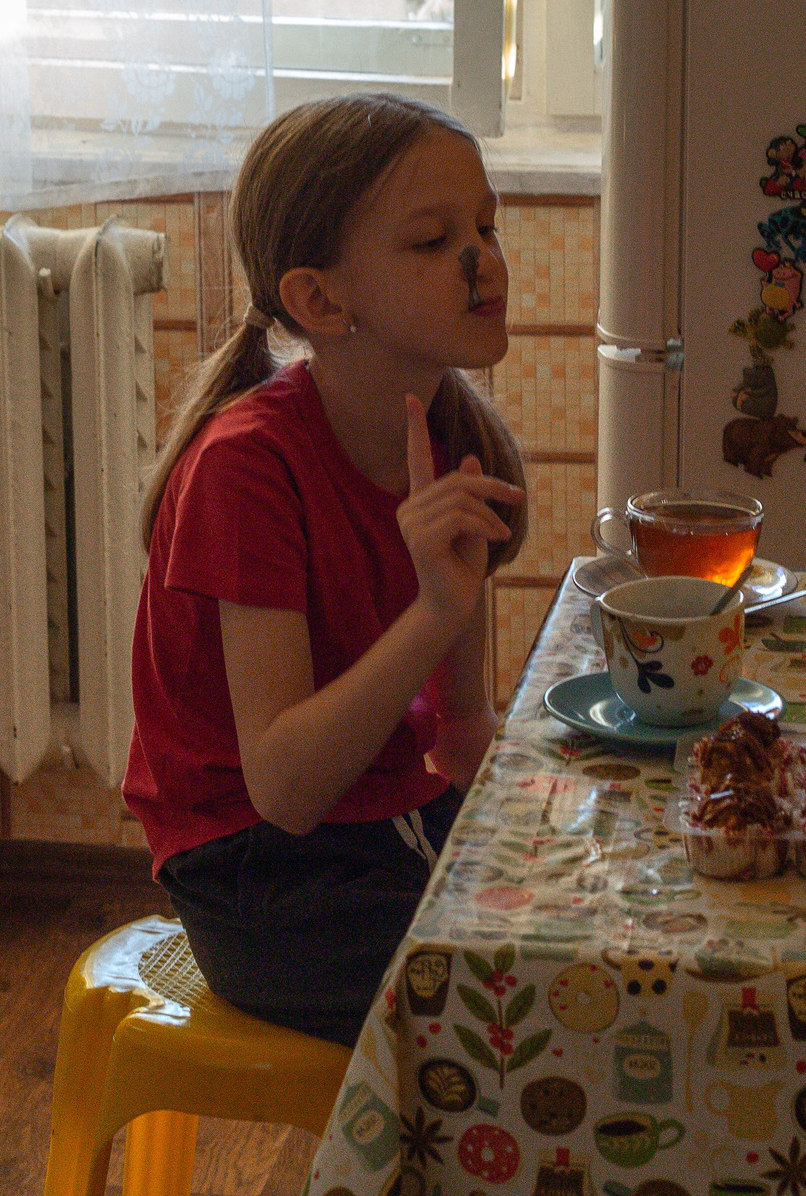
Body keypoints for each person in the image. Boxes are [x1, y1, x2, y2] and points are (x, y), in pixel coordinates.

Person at [124, 94, 527, 1049]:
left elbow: (462, 733)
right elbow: (287, 791)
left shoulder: (449, 437)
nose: (485, 262)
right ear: (320, 300)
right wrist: (433, 612)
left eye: (485, 226)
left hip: (386, 824)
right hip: (258, 874)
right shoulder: (245, 469)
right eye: (433, 241)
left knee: (588, 939)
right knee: (522, 1011)